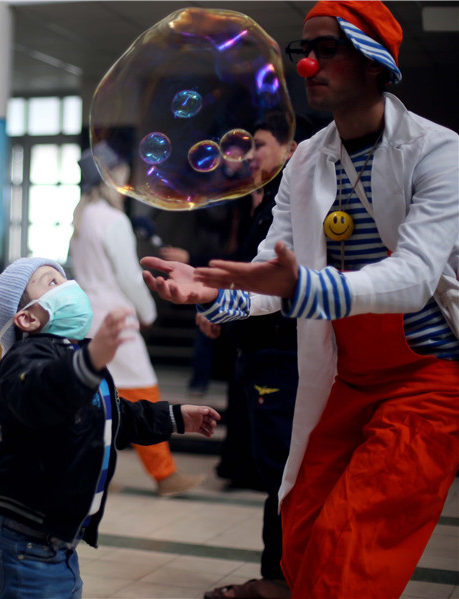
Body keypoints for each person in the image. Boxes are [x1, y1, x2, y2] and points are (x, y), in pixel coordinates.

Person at [142, 3, 459, 597]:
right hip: (349, 376)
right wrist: (212, 293)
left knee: (351, 547)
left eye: (329, 48)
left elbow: (415, 277)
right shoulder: (308, 160)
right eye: (303, 49)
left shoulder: (438, 152)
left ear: (373, 61)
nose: (309, 62)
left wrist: (301, 286)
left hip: (427, 380)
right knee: (303, 526)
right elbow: (271, 272)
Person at [0, 257, 221, 599]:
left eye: (64, 278)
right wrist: (87, 365)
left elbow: (114, 417)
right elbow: (45, 392)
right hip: (26, 542)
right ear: (28, 318)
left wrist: (176, 417)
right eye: (51, 283)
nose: (69, 286)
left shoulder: (76, 355)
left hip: (57, 541)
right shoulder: (23, 363)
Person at [69, 143, 205, 497]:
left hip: (87, 319)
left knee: (94, 397)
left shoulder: (81, 217)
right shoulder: (112, 220)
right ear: (111, 177)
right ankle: (165, 476)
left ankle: (93, 471)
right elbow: (129, 276)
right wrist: (148, 311)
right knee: (143, 390)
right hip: (116, 320)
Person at [204, 112, 300, 599]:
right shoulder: (262, 203)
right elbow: (251, 281)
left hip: (281, 353)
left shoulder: (294, 202)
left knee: (284, 472)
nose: (250, 155)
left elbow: (279, 285)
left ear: (292, 149)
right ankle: (280, 576)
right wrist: (222, 308)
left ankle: (281, 579)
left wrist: (228, 304)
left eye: (260, 145)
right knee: (273, 470)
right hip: (259, 351)